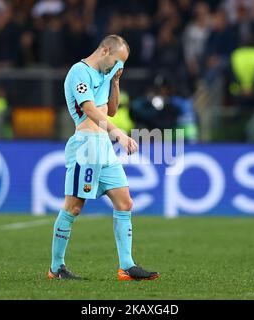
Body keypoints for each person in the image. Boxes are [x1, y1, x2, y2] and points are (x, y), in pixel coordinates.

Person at [48, 35, 159, 281]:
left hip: (104, 147)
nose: (118, 66)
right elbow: (88, 109)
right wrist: (117, 132)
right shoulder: (79, 71)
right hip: (85, 147)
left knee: (125, 202)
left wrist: (116, 82)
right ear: (106, 50)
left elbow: (111, 110)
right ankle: (56, 268)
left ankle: (127, 267)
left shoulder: (105, 75)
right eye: (117, 61)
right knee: (74, 207)